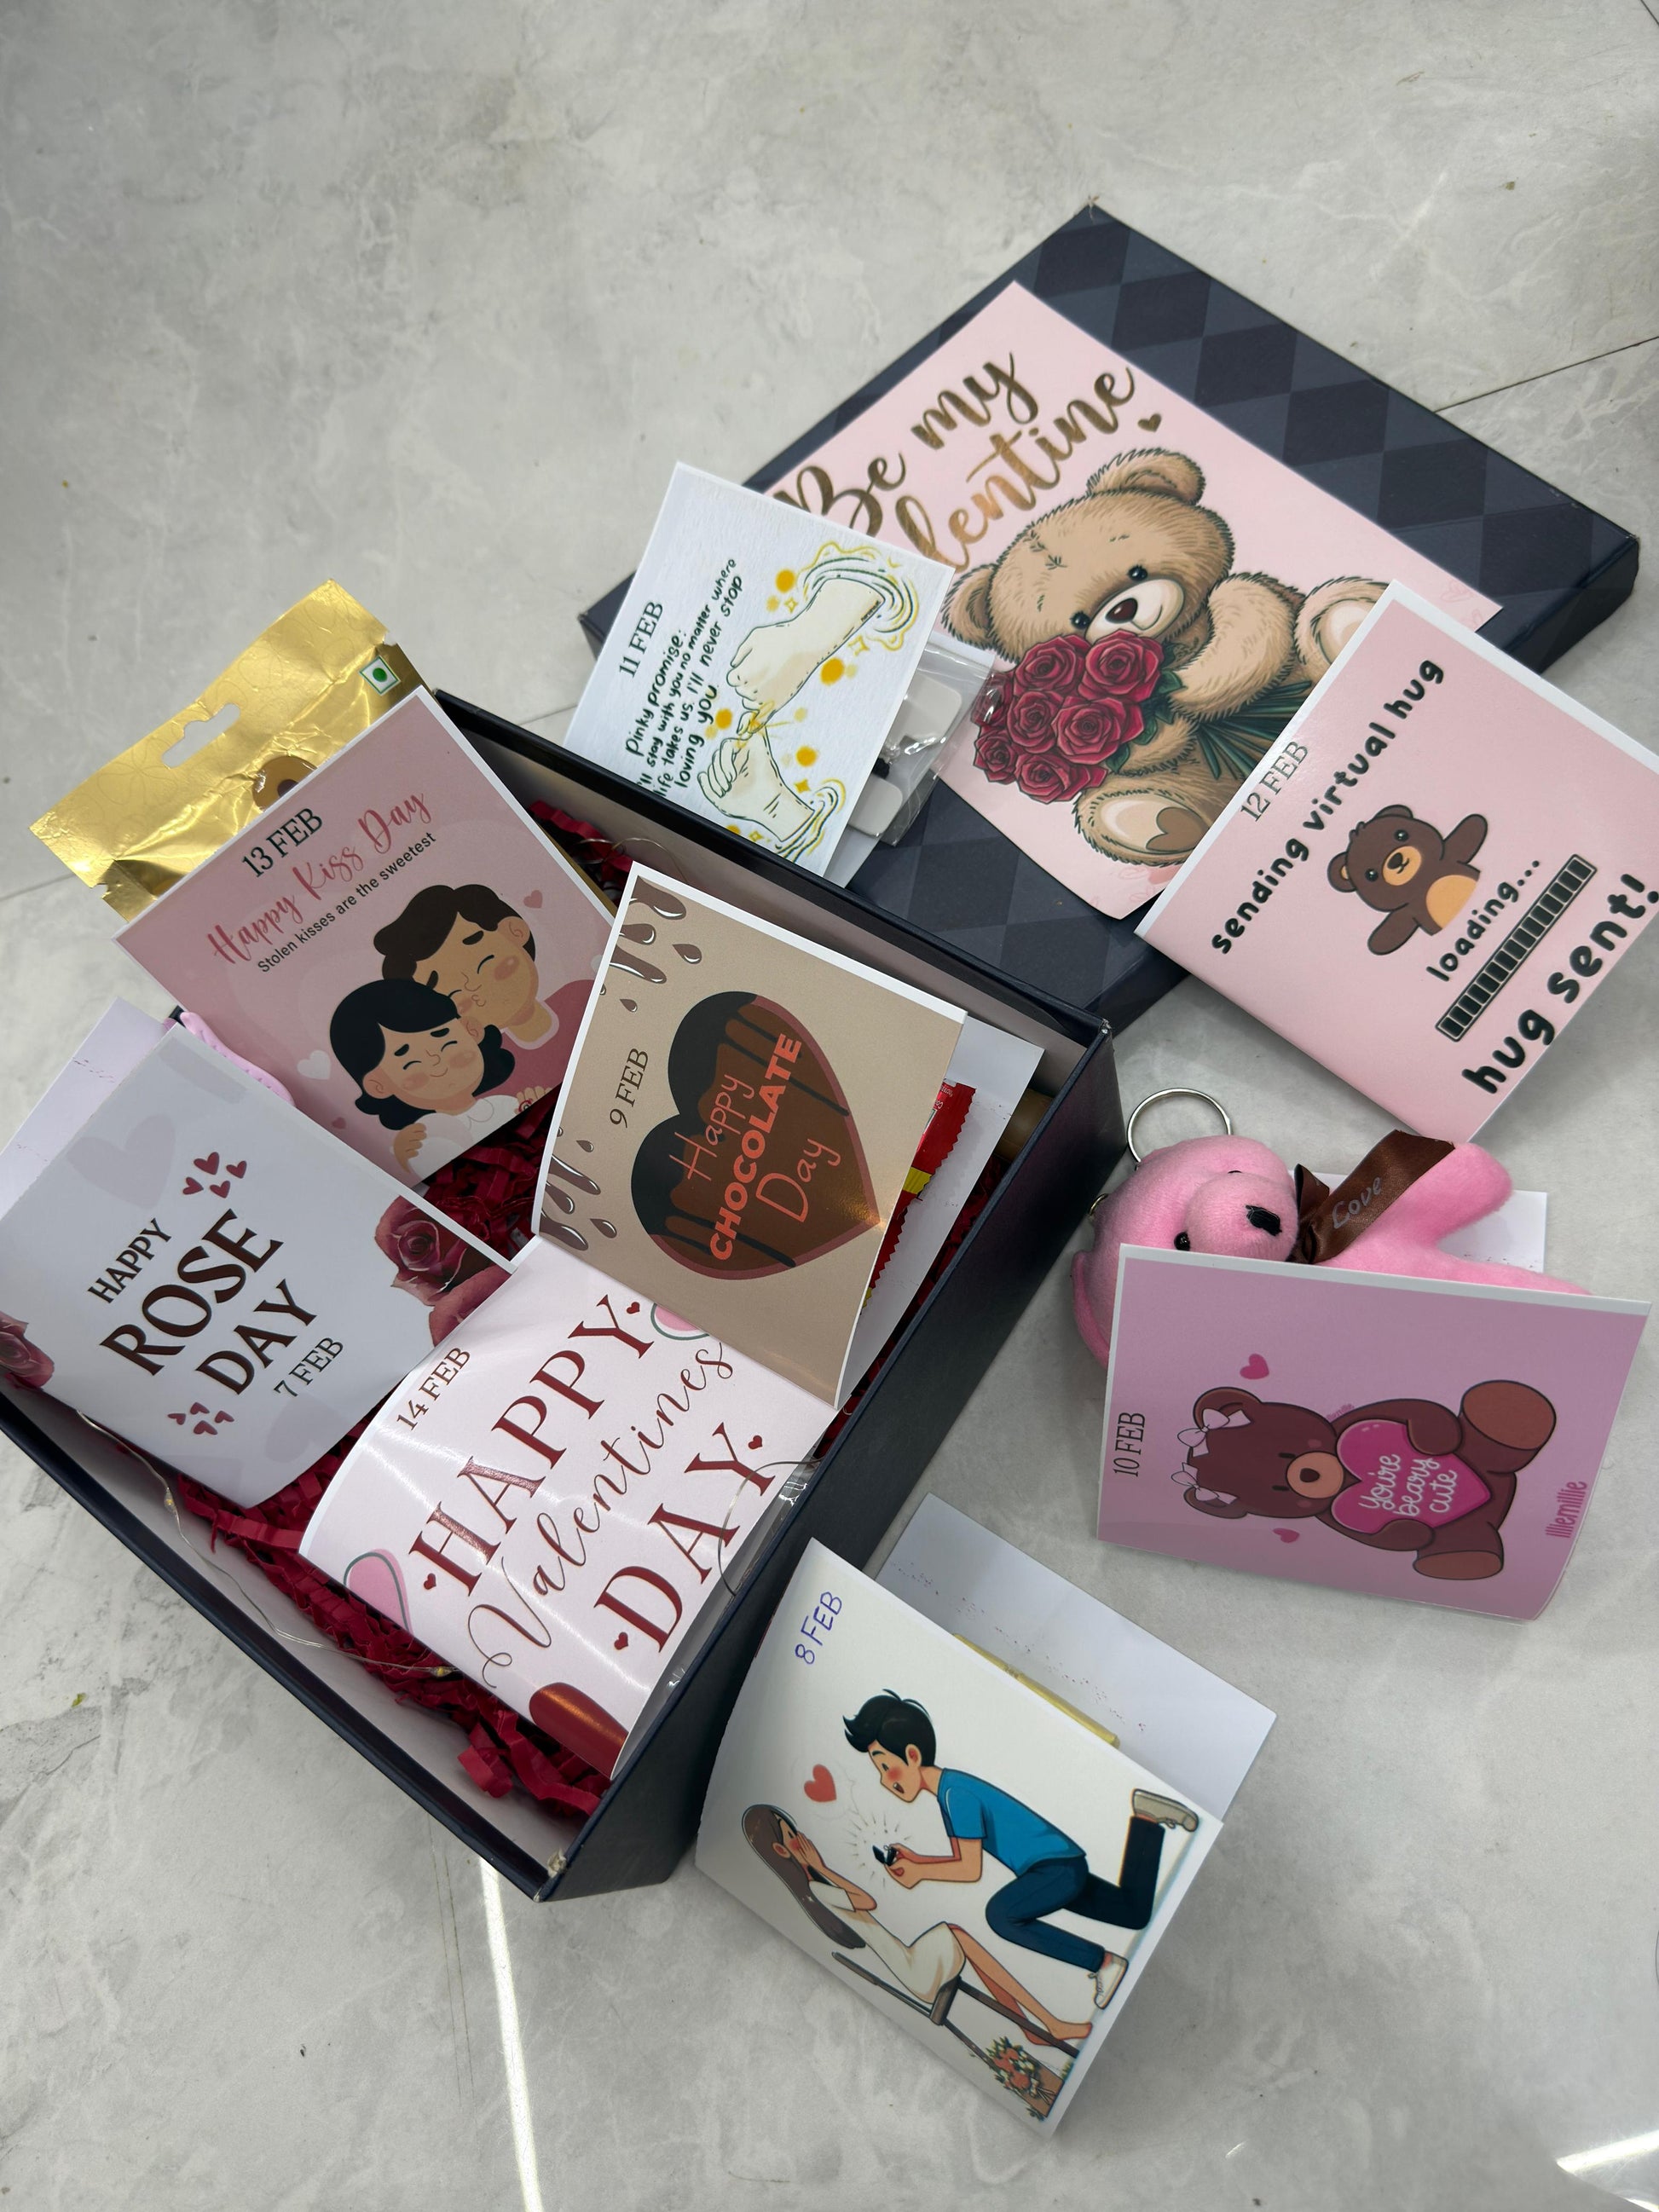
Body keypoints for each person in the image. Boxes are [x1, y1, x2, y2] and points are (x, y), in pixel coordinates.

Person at [843, 1690, 1199, 2013]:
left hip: (1053, 1869)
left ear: (912, 1755)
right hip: (1055, 1866)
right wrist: (918, 1860)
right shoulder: (950, 1792)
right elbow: (962, 1859)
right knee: (1133, 1913)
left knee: (1001, 1915)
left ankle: (1103, 1963)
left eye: (885, 1766)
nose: (885, 1780)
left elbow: (970, 1869)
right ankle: (1147, 1821)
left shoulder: (955, 1795)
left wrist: (920, 1873)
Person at [741, 1805, 1090, 2047]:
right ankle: (1046, 2022)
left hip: (908, 1960)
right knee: (959, 1937)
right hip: (912, 1972)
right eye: (792, 1836)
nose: (802, 1837)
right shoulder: (818, 1890)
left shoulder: (821, 1888)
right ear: (782, 1850)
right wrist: (822, 1867)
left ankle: (1031, 2028)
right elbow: (867, 1901)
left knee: (964, 1942)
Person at [373, 883, 590, 1094]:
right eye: (456, 995)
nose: (474, 986)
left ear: (515, 931)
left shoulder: (586, 993)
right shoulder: (496, 1071)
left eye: (486, 964)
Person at [328, 976, 546, 1176]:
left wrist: (533, 1107)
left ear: (470, 1030)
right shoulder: (421, 1137)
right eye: (408, 1060)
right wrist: (403, 1158)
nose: (435, 1059)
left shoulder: (505, 1102)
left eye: (444, 1038)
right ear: (378, 1086)